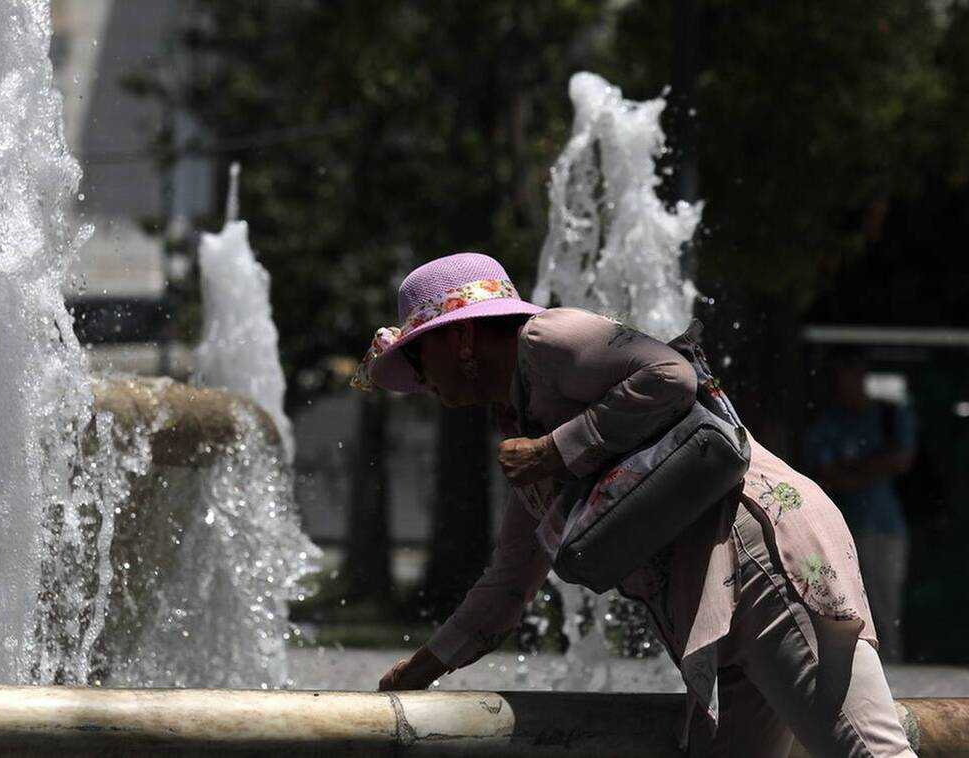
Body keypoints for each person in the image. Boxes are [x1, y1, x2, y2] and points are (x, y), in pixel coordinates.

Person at [351, 253, 915, 757]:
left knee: (869, 752)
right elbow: (507, 585)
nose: (419, 378)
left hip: (760, 556)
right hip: (711, 598)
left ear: (461, 339)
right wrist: (420, 669)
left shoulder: (545, 339)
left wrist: (554, 450)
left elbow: (671, 375)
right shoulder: (522, 428)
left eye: (417, 355)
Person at [804, 350, 917, 663]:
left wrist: (854, 469)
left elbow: (902, 460)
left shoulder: (888, 415)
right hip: (843, 529)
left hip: (886, 526)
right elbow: (830, 474)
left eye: (852, 374)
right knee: (847, 602)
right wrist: (872, 466)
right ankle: (859, 667)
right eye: (840, 376)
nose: (846, 383)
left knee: (886, 602)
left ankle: (892, 665)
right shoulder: (828, 423)